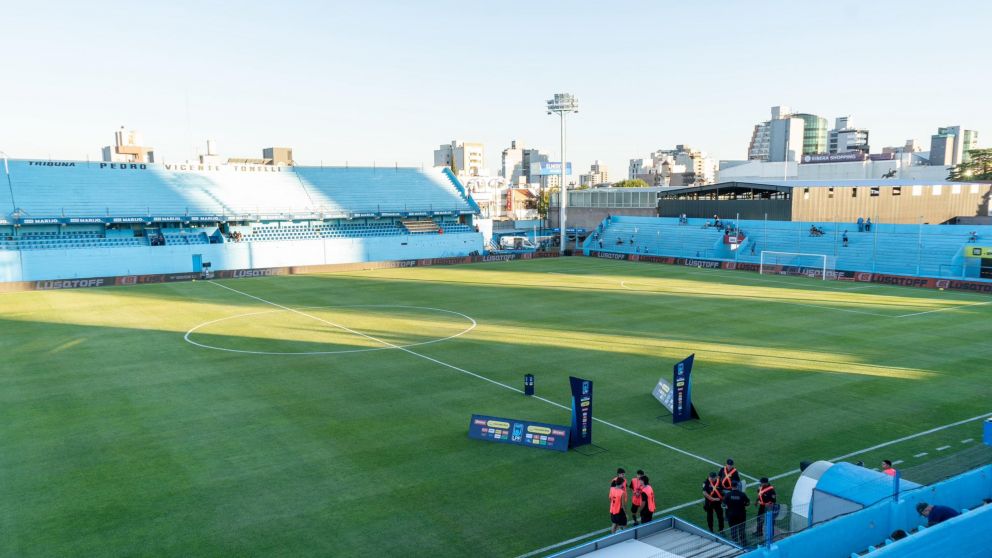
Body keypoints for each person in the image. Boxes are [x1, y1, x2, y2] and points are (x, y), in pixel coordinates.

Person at [724, 481, 750, 547]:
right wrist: (743, 504)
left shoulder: (728, 495)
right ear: (737, 486)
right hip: (741, 514)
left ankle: (735, 543)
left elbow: (724, 505)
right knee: (741, 529)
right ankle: (744, 543)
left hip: (731, 515)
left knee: (733, 529)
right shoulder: (742, 494)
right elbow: (747, 503)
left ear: (731, 486)